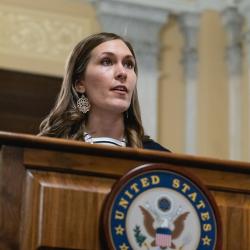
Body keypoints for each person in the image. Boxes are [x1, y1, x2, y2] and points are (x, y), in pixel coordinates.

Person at [39, 32, 170, 152]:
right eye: (106, 62)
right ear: (79, 83)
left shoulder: (161, 159)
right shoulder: (46, 150)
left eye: (129, 64)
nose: (122, 73)